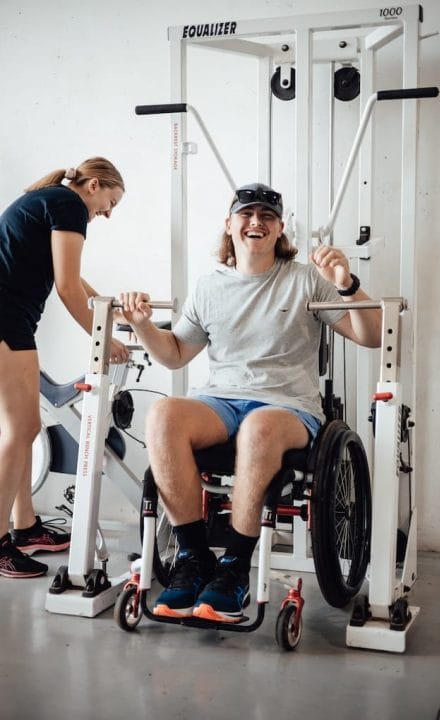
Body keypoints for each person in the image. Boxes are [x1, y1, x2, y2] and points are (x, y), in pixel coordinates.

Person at [120, 182, 382, 623]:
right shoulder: (209, 286)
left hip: (287, 407)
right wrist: (143, 326)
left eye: (266, 216)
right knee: (164, 414)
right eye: (246, 214)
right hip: (221, 401)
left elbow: (371, 337)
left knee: (260, 426)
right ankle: (195, 557)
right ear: (229, 224)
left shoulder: (304, 280)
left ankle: (236, 568)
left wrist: (347, 284)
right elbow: (175, 353)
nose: (255, 222)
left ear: (279, 229)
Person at [0, 156, 130, 579]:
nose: (108, 214)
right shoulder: (69, 204)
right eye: (110, 202)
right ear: (93, 186)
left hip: (11, 318)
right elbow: (67, 286)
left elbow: (75, 280)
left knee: (21, 431)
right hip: (6, 319)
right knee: (22, 431)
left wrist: (113, 313)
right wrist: (104, 339)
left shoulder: (51, 200)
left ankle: (25, 529)